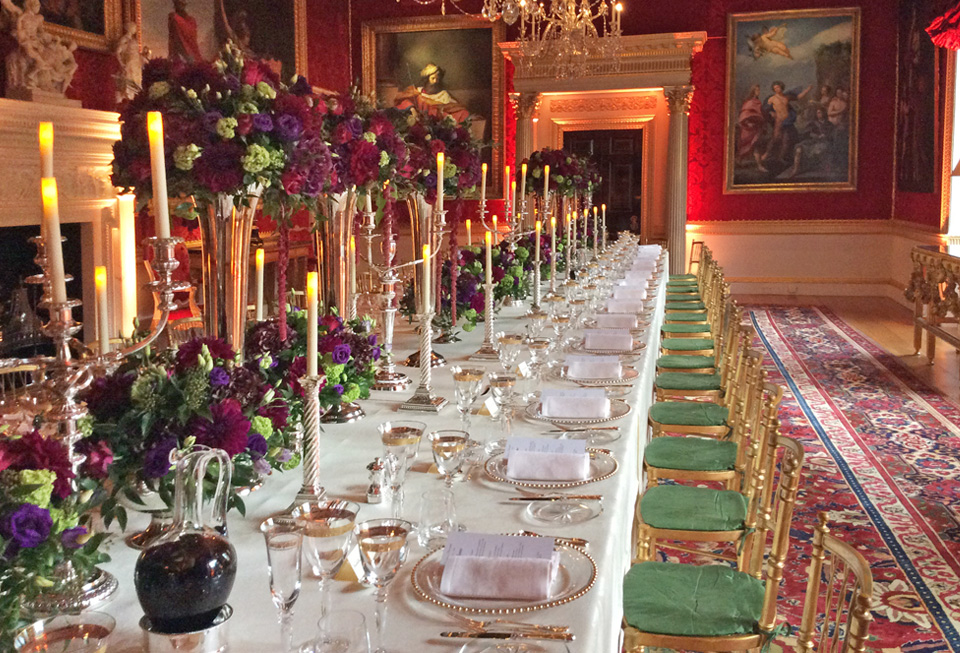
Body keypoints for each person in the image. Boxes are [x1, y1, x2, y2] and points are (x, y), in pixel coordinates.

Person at [393, 63, 471, 124]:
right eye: (433, 78)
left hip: (438, 123)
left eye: (437, 79)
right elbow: (403, 101)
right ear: (427, 79)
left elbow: (452, 106)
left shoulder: (443, 94)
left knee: (463, 113)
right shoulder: (417, 92)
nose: (435, 81)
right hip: (421, 122)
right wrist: (412, 109)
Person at [762, 80, 812, 166]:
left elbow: (798, 97)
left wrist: (807, 90)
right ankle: (766, 154)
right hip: (779, 120)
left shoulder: (786, 97)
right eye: (775, 88)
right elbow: (765, 108)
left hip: (787, 121)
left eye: (778, 87)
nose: (777, 89)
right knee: (775, 138)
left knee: (786, 140)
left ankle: (781, 157)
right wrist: (771, 112)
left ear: (781, 87)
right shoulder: (772, 98)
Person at [736, 84, 767, 171]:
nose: (758, 92)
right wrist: (747, 123)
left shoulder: (758, 102)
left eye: (759, 90)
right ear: (753, 91)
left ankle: (759, 165)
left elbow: (760, 114)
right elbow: (744, 114)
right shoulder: (749, 102)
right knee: (745, 146)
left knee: (756, 145)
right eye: (757, 90)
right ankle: (738, 161)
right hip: (748, 129)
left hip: (756, 128)